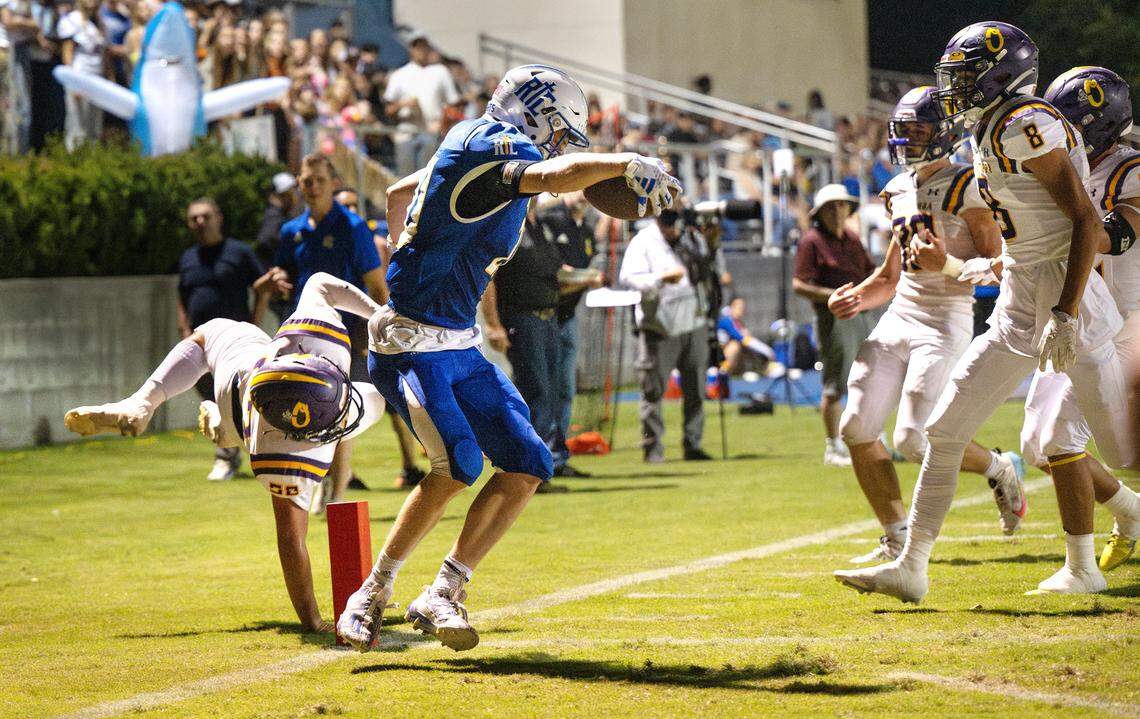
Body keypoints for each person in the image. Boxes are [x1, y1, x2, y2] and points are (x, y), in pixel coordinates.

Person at [335, 63, 680, 653]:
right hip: (415, 343)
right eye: (559, 131)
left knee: (526, 463)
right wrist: (624, 163)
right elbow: (553, 173)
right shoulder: (492, 145)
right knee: (458, 466)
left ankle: (444, 590)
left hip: (456, 338)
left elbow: (398, 195)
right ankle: (371, 592)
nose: (557, 144)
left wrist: (412, 258)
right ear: (540, 113)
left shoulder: (471, 146)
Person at [836, 23, 1137, 601]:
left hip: (1070, 297)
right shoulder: (991, 127)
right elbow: (1022, 238)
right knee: (943, 432)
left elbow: (1085, 222)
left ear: (999, 73)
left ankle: (1111, 532)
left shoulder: (1028, 124)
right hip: (1021, 294)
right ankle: (911, 566)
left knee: (1123, 449)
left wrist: (1068, 312)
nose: (953, 83)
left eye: (964, 71)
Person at [65, 273, 387, 632]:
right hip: (282, 436)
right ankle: (221, 431)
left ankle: (144, 403)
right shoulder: (321, 375)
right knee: (378, 400)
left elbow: (289, 543)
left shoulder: (302, 341)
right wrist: (380, 315)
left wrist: (310, 620)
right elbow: (322, 284)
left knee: (211, 332)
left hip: (243, 387)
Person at [829, 86, 1026, 565]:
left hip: (946, 321)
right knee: (855, 426)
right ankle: (896, 536)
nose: (909, 141)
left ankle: (999, 466)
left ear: (944, 133)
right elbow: (891, 277)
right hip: (901, 316)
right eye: (904, 131)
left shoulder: (970, 188)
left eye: (919, 131)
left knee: (914, 440)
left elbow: (1003, 265)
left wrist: (949, 265)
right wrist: (857, 297)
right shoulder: (898, 190)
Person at [1019, 66, 1140, 573]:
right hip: (1076, 314)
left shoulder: (1130, 167)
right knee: (1034, 446)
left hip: (1125, 321)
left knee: (1086, 442)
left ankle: (1080, 569)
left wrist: (1075, 230)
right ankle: (1130, 512)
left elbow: (1121, 232)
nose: (1060, 134)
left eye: (1071, 124)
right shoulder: (1065, 166)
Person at [275, 153, 387, 507]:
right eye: (307, 181)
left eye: (319, 181)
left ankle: (337, 494)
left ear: (333, 183)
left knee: (337, 411)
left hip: (345, 334)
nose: (313, 188)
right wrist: (277, 282)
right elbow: (286, 276)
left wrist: (377, 334)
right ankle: (308, 485)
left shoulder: (352, 227)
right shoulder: (291, 231)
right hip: (300, 332)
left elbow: (376, 285)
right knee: (297, 410)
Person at [335, 186, 428, 490]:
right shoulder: (341, 244)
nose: (349, 212)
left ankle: (410, 465)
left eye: (352, 205)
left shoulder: (368, 238)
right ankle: (341, 475)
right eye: (342, 206)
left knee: (397, 404)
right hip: (352, 335)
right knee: (346, 404)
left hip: (381, 331)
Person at [178, 197, 272, 480]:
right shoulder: (188, 258)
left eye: (205, 216)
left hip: (234, 343)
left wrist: (254, 324)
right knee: (211, 397)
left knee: (236, 398)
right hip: (199, 342)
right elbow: (182, 295)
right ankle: (231, 451)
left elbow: (262, 287)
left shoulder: (239, 252)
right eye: (194, 218)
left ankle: (232, 454)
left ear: (219, 217)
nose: (200, 222)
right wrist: (183, 330)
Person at [620, 202, 715, 464]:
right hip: (658, 325)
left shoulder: (692, 238)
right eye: (668, 223)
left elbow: (708, 272)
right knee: (653, 390)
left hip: (692, 321)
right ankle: (653, 449)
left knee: (696, 388)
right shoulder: (642, 242)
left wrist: (711, 245)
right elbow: (628, 278)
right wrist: (661, 279)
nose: (673, 229)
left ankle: (693, 444)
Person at [792, 184, 876, 467]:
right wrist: (834, 296)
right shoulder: (811, 241)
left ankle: (869, 438)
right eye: (830, 207)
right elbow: (799, 284)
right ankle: (833, 446)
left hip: (862, 312)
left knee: (868, 377)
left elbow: (869, 271)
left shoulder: (852, 238)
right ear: (820, 213)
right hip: (833, 318)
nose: (837, 211)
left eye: (840, 205)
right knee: (835, 381)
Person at [538, 191, 602, 477]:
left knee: (565, 388)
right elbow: (553, 272)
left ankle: (558, 454)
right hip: (546, 313)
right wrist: (582, 278)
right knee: (544, 388)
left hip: (569, 314)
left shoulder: (586, 231)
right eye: (578, 187)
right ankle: (543, 456)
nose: (582, 195)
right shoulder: (550, 222)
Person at [382, 32, 460, 175]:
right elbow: (388, 109)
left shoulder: (440, 72)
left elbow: (453, 104)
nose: (421, 51)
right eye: (417, 47)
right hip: (406, 129)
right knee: (405, 178)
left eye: (424, 47)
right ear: (411, 49)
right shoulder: (399, 74)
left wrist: (443, 125)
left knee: (428, 176)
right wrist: (402, 104)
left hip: (430, 129)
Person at [58, 0, 107, 149]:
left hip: (97, 77)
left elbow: (104, 55)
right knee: (78, 123)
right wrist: (73, 83)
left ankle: (93, 161)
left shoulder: (99, 23)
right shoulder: (72, 20)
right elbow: (67, 52)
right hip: (80, 75)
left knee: (95, 124)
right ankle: (74, 160)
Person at [716, 297, 774, 376]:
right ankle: (722, 372)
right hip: (718, 356)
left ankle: (760, 368)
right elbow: (741, 338)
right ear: (732, 307)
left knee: (744, 346)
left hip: (728, 356)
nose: (742, 311)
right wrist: (767, 351)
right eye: (739, 308)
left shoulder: (738, 323)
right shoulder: (726, 320)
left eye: (743, 308)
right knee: (735, 346)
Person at [255, 172, 300, 269]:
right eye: (293, 192)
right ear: (285, 194)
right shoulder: (274, 214)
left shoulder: (280, 214)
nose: (296, 196)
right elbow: (265, 240)